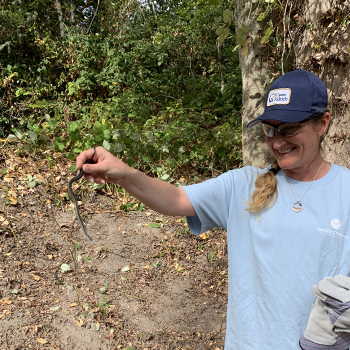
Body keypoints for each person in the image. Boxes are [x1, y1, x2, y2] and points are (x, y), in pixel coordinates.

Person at [76, 69, 350, 350]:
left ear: (323, 123)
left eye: (290, 128)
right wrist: (123, 173)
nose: (278, 141)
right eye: (270, 129)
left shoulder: (346, 190)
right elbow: (175, 199)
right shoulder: (242, 186)